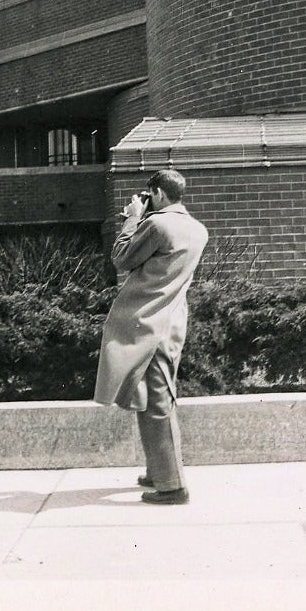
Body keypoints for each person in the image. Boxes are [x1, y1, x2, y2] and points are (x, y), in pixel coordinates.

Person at [94, 168, 208, 505]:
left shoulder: (157, 225)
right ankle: (158, 470)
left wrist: (133, 218)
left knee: (157, 403)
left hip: (148, 324)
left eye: (149, 195)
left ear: (157, 193)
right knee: (153, 398)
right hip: (171, 322)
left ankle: (172, 486)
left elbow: (121, 258)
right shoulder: (197, 228)